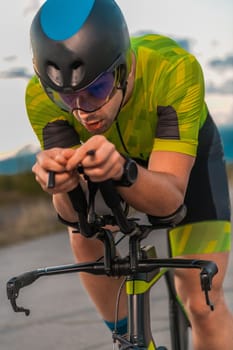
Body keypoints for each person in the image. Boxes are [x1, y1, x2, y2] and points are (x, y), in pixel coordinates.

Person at [25, 0, 233, 349]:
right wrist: (60, 186)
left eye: (96, 90)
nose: (81, 113)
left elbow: (169, 202)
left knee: (201, 300)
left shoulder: (173, 69)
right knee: (83, 227)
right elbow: (71, 215)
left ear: (125, 68)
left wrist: (122, 169)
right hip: (110, 162)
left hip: (185, 167)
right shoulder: (39, 96)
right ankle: (130, 339)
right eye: (65, 97)